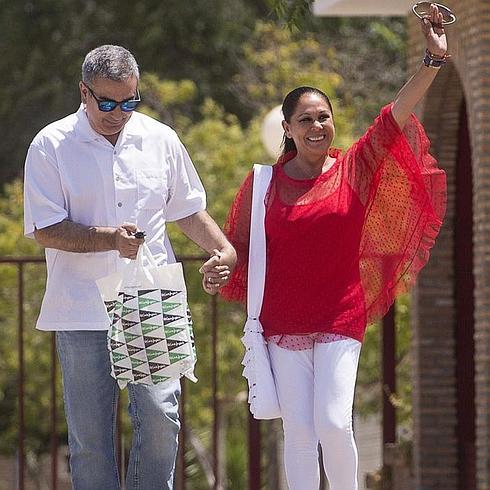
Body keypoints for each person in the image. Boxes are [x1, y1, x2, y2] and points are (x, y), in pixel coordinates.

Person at [220, 5, 448, 489]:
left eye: (324, 117)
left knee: (332, 421)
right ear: (287, 128)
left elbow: (393, 117)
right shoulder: (263, 183)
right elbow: (236, 247)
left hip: (341, 315)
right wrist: (217, 266)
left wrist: (432, 60)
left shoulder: (354, 168)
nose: (317, 126)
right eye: (305, 120)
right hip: (283, 321)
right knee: (299, 433)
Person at [23, 44, 235, 489]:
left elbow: (188, 210)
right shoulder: (50, 145)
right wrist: (109, 240)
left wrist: (223, 249)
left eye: (129, 101)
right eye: (107, 103)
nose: (119, 112)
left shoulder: (160, 139)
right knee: (91, 443)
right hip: (80, 308)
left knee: (161, 420)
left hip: (151, 299)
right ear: (84, 92)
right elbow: (45, 228)